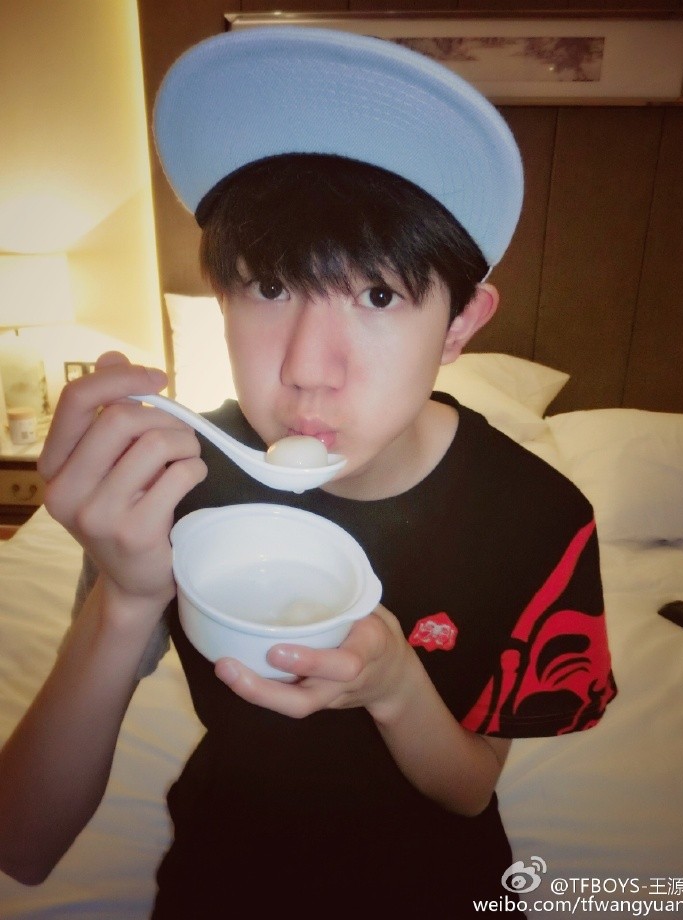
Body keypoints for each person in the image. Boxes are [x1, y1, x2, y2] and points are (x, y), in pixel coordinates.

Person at [0, 27, 616, 916]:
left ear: (459, 325)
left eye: (377, 295)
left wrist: (395, 685)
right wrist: (127, 597)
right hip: (227, 869)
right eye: (270, 286)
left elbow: (470, 789)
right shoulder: (171, 479)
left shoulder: (536, 519)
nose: (306, 370)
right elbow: (21, 844)